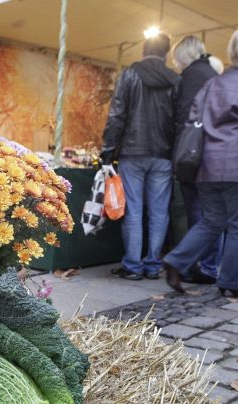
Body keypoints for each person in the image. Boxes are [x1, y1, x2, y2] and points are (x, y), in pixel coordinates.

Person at [162, 27, 238, 299]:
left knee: (211, 222)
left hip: (206, 166)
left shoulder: (213, 84)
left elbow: (193, 120)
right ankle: (230, 282)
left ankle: (176, 260)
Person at [101, 32, 179, 281]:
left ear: (143, 51)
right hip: (164, 154)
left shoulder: (130, 74)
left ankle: (133, 266)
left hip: (132, 153)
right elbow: (180, 121)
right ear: (167, 54)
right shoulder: (175, 80)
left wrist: (108, 150)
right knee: (159, 212)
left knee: (133, 211)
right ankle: (153, 264)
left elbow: (117, 115)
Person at [171, 35, 221, 284]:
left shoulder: (189, 78)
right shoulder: (215, 76)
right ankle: (211, 265)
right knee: (213, 214)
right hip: (216, 156)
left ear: (182, 57)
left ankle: (200, 265)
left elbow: (182, 119)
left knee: (197, 214)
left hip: (193, 156)